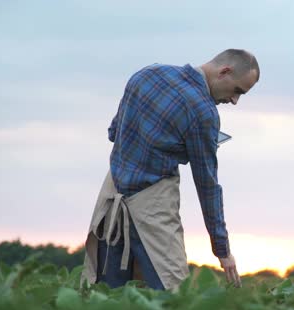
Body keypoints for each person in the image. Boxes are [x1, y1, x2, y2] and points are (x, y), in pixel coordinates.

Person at [80, 49, 260, 291]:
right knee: (172, 296)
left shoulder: (146, 74)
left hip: (111, 200)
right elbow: (207, 185)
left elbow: (114, 132)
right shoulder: (204, 113)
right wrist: (222, 250)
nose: (235, 100)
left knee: (107, 294)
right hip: (154, 206)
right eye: (238, 91)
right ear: (224, 71)